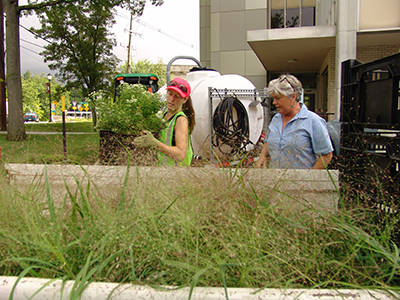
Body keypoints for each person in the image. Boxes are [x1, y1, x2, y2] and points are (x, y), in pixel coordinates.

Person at [256, 74, 333, 169]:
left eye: (278, 98)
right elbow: (267, 141)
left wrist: (309, 179)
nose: (274, 102)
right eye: (273, 98)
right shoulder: (276, 119)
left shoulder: (313, 121)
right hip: (275, 180)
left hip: (301, 181)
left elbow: (326, 155)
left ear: (292, 96)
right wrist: (262, 157)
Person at [133, 77, 195, 167]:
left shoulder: (181, 120)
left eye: (177, 96)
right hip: (163, 172)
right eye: (170, 94)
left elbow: (180, 155)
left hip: (177, 174)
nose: (171, 99)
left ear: (185, 100)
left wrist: (155, 143)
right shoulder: (163, 115)